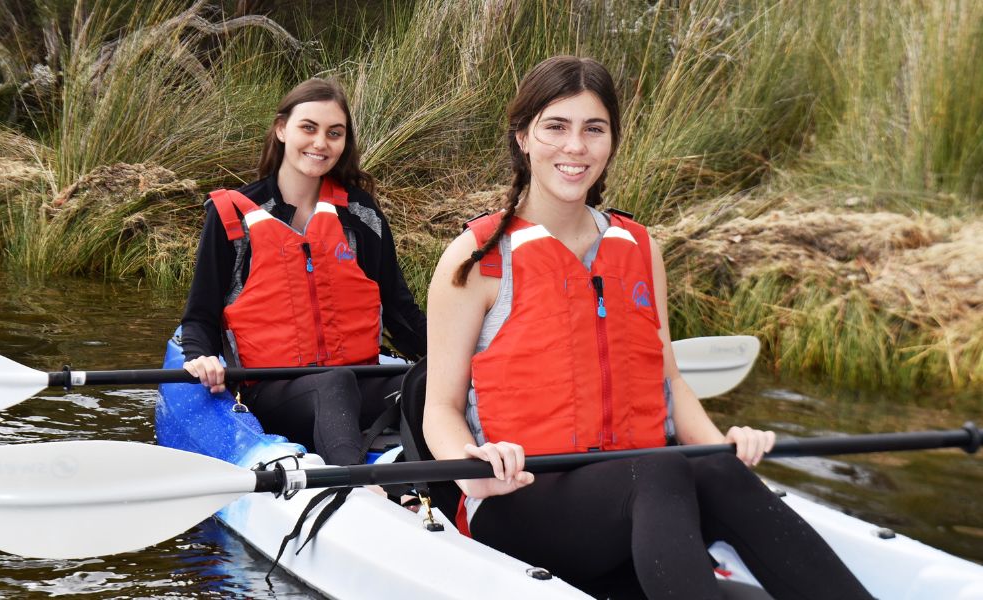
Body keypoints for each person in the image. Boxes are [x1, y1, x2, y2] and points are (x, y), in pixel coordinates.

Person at [422, 56, 873, 599]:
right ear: (523, 137)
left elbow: (670, 382)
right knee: (658, 469)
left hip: (644, 496)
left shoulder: (637, 247)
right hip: (523, 502)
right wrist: (472, 469)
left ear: (611, 141)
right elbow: (440, 409)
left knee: (710, 470)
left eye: (594, 129)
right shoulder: (476, 257)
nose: (575, 147)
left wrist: (721, 447)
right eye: (556, 127)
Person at [181, 77, 426, 466]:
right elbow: (199, 316)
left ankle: (432, 488)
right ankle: (351, 490)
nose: (320, 143)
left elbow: (400, 312)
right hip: (273, 391)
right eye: (308, 128)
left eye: (334, 133)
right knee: (335, 381)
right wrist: (201, 356)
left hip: (359, 384)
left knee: (429, 380)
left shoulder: (362, 216)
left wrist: (456, 363)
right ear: (281, 129)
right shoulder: (232, 216)